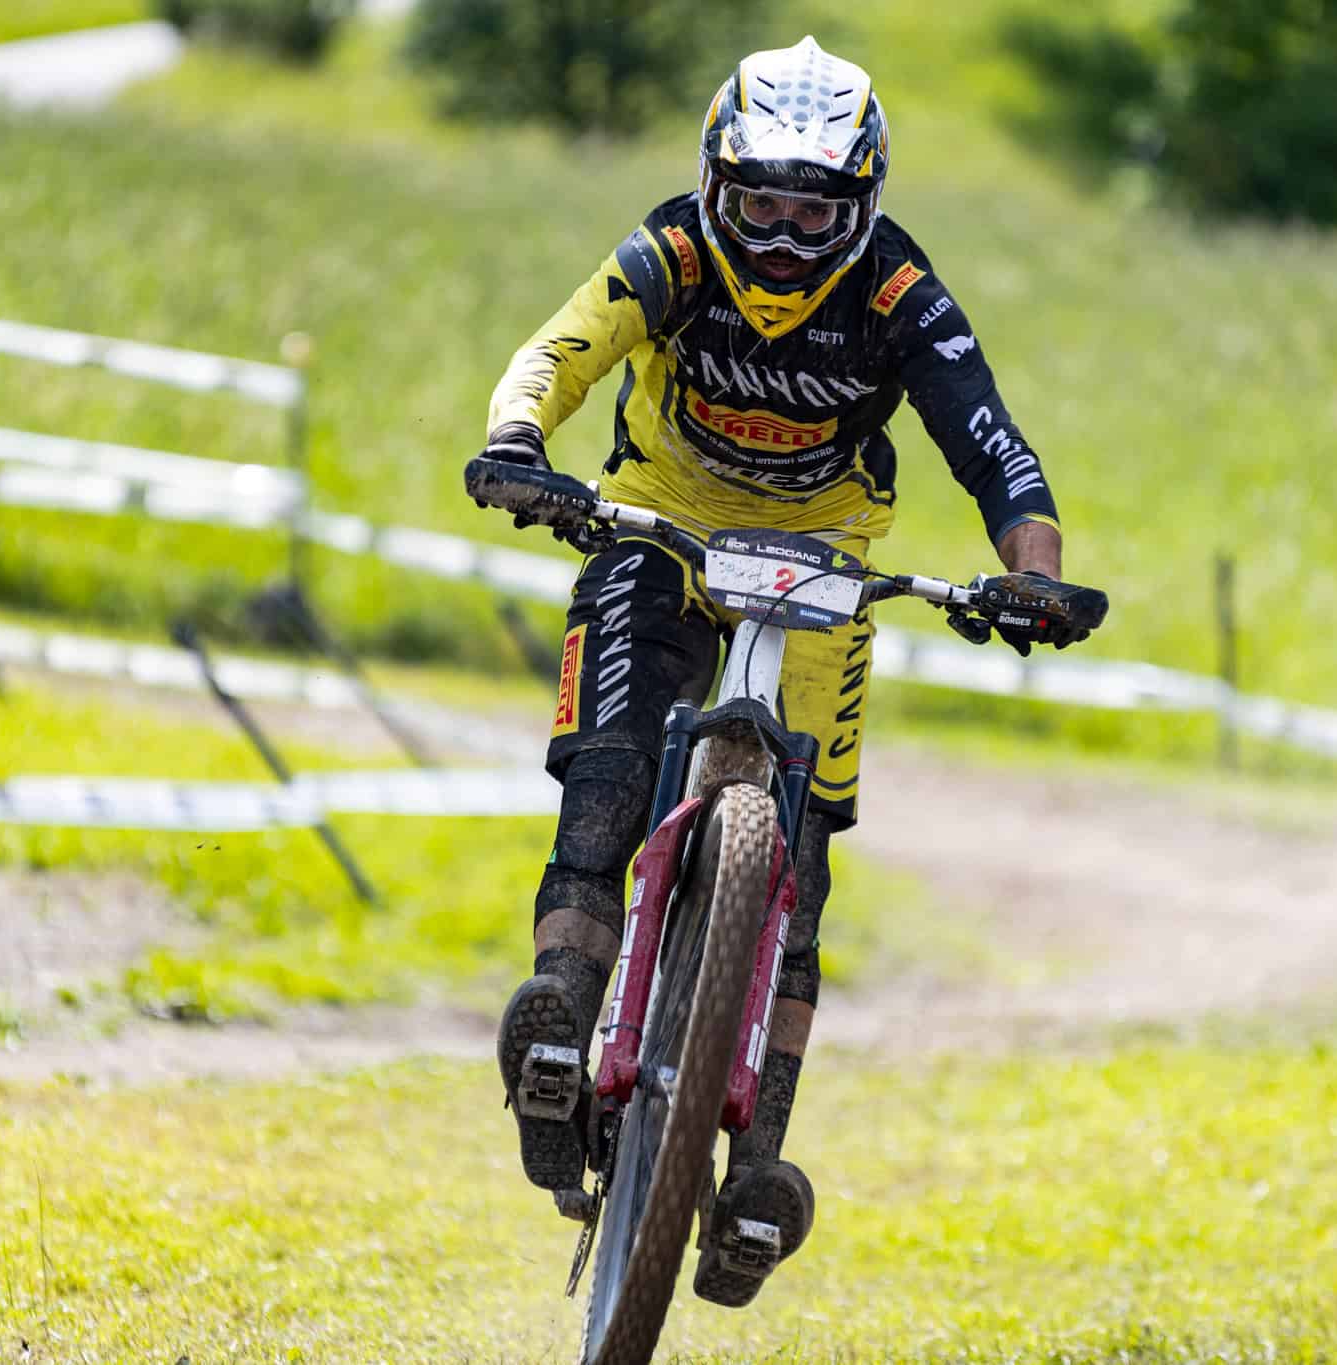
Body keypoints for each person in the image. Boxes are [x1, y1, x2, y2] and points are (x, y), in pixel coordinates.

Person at [482, 36, 1087, 1306]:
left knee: (797, 874)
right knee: (604, 783)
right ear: (713, 182)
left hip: (825, 558)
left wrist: (1031, 573)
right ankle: (557, 1016)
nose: (779, 236)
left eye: (813, 213)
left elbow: (992, 446)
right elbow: (558, 350)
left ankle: (755, 1164)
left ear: (860, 207)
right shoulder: (671, 251)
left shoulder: (897, 292)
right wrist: (517, 443)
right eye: (756, 202)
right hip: (656, 520)